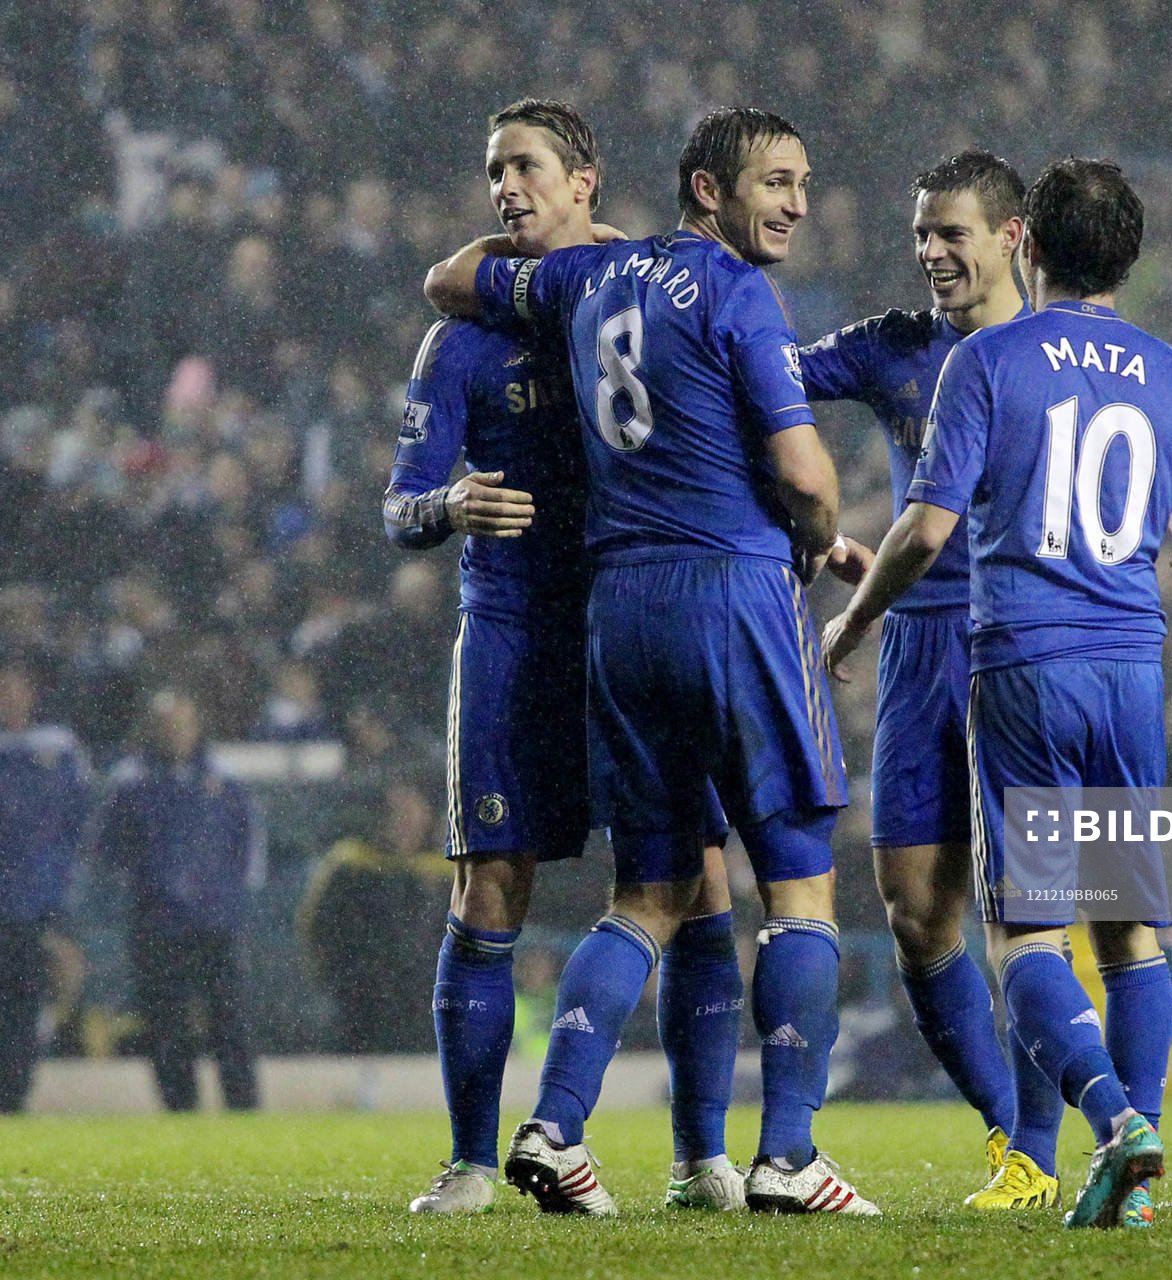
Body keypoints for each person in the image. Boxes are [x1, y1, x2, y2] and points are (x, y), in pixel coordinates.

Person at [424, 106, 876, 1215]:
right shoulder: (734, 291)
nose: (797, 203)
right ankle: (788, 1154)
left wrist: (604, 241)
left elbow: (450, 280)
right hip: (732, 594)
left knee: (651, 889)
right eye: (776, 180)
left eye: (802, 182)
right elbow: (807, 474)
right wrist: (819, 537)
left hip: (620, 612)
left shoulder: (589, 284)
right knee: (801, 882)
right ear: (709, 191)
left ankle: (553, 1122)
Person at [822, 158, 1172, 1229]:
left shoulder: (988, 361)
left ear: (1027, 243)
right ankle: (1136, 1179)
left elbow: (929, 528)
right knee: (1127, 934)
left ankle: (1115, 1123)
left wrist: (850, 617)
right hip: (1130, 668)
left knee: (1024, 935)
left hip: (1021, 663)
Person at [388, 99, 745, 1215]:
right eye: (494, 170)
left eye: (526, 167)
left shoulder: (639, 292)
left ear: (584, 180)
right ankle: (468, 1162)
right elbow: (398, 507)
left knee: (696, 879)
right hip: (509, 634)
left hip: (631, 625)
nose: (506, 186)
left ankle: (700, 1157)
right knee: (491, 881)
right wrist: (447, 500)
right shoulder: (461, 342)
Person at [94, 689, 266, 1112]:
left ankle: (244, 1108)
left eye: (182, 724)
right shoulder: (132, 784)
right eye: (167, 725)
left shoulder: (224, 780)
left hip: (216, 922)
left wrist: (228, 899)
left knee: (231, 1021)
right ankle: (180, 1107)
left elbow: (246, 848)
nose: (175, 733)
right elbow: (109, 851)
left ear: (196, 727)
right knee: (166, 1024)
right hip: (158, 924)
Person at [295, 779, 451, 1053]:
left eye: (414, 813)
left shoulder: (444, 870)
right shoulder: (352, 864)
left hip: (425, 1001)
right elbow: (319, 927)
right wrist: (339, 977)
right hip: (361, 997)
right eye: (398, 813)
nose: (406, 823)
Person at [0, 658, 90, 1111]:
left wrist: (57, 899)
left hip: (31, 905)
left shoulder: (58, 749)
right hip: (17, 901)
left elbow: (76, 828)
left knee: (21, 1003)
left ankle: (12, 1097)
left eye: (13, 689)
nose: (8, 698)